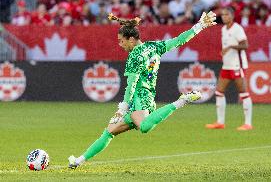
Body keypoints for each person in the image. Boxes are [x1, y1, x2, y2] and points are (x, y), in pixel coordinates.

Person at [68, 11, 217, 169]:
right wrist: (199, 26)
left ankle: (181, 101)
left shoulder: (135, 56)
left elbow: (131, 84)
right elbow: (179, 41)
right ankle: (79, 160)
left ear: (131, 39)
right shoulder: (154, 46)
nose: (120, 44)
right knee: (110, 131)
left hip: (139, 97)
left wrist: (122, 108)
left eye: (121, 41)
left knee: (144, 127)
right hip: (148, 96)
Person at [206, 7, 253, 131]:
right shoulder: (223, 29)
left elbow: (245, 45)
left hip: (237, 65)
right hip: (226, 65)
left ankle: (248, 123)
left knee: (243, 93)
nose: (224, 17)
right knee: (219, 92)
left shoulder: (237, 29)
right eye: (222, 15)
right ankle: (220, 122)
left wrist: (231, 47)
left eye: (226, 14)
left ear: (232, 16)